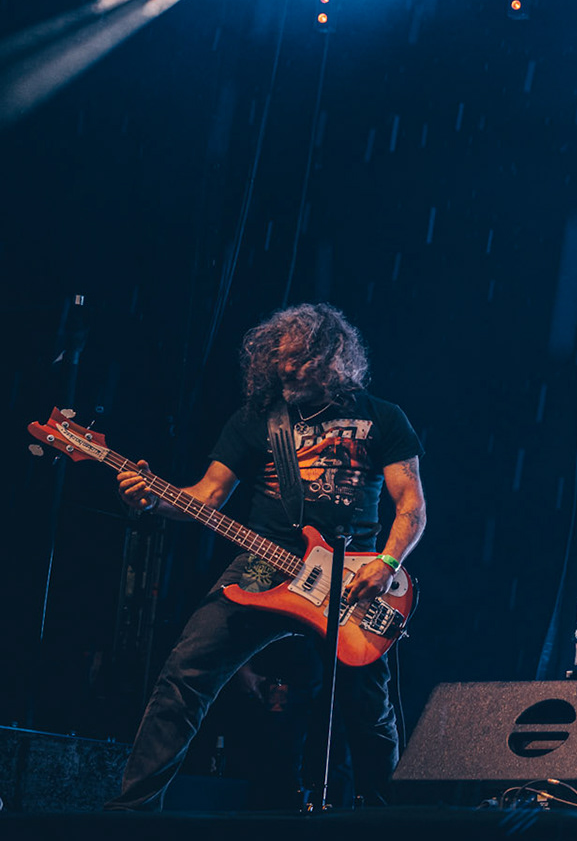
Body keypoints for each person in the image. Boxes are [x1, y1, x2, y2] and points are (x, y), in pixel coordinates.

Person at [107, 303, 425, 810]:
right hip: (263, 562)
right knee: (185, 676)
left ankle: (386, 824)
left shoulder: (383, 417)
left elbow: (411, 505)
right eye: (280, 358)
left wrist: (386, 563)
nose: (288, 368)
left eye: (301, 358)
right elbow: (207, 495)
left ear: (334, 356)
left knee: (367, 709)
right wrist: (152, 501)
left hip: (352, 576)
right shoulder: (256, 419)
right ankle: (130, 814)